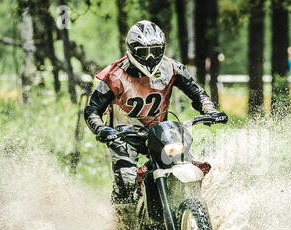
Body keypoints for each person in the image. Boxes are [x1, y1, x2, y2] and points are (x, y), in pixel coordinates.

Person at [84, 20, 225, 217]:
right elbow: (91, 110)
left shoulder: (172, 68)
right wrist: (102, 129)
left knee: (181, 161)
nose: (150, 57)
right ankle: (123, 222)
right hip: (123, 136)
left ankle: (185, 206)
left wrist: (209, 110)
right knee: (126, 177)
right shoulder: (113, 75)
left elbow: (197, 93)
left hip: (161, 132)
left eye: (155, 50)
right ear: (131, 50)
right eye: (143, 51)